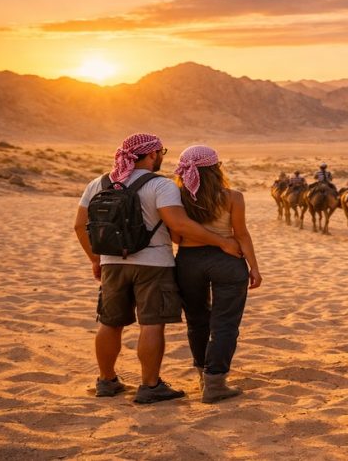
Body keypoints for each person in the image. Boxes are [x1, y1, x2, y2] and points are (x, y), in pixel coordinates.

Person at [74, 133, 241, 404]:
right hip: (154, 265)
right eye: (161, 152)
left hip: (111, 263)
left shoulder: (98, 183)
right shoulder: (160, 185)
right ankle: (150, 385)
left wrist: (95, 259)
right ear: (151, 154)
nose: (162, 157)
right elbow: (179, 225)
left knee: (110, 322)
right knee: (151, 324)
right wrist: (222, 241)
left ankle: (106, 381)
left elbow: (79, 226)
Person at [172, 145, 261, 403]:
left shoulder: (177, 198)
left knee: (196, 321)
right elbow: (241, 234)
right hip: (227, 261)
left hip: (188, 261)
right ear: (216, 168)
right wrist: (254, 267)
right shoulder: (233, 197)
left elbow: (176, 236)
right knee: (226, 324)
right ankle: (215, 382)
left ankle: (203, 376)